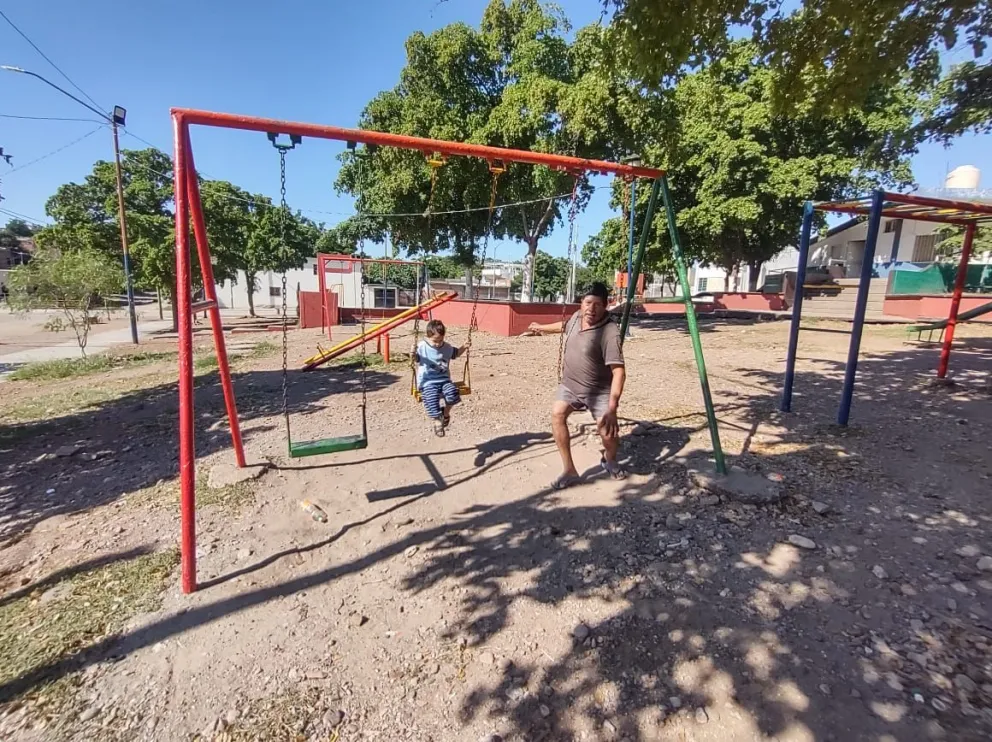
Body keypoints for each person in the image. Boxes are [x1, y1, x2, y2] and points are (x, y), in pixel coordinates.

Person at [528, 281, 626, 490]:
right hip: (571, 385)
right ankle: (569, 470)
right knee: (557, 414)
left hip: (599, 391)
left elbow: (619, 371)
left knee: (609, 436)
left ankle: (609, 459)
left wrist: (612, 407)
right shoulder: (576, 317)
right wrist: (541, 328)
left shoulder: (610, 332)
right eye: (588, 302)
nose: (591, 308)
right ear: (581, 303)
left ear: (606, 305)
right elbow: (564, 326)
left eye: (597, 304)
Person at [413, 319, 470, 436]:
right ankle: (437, 421)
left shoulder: (446, 347)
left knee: (453, 393)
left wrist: (464, 347)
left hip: (444, 380)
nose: (438, 343)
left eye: (441, 340)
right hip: (427, 381)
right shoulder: (422, 347)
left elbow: (456, 354)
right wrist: (412, 353)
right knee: (431, 399)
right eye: (435, 341)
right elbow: (415, 359)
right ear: (428, 336)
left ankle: (445, 414)